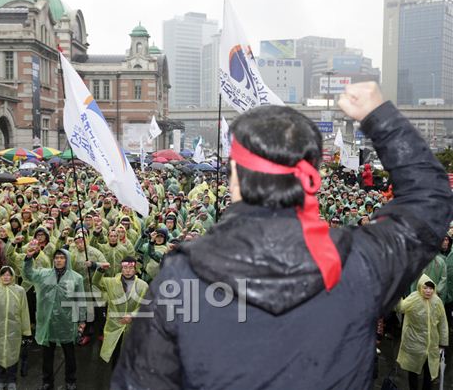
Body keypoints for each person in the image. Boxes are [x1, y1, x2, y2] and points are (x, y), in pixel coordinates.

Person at [112, 82, 453, 389]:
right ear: (311, 180)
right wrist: (380, 117)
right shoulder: (359, 264)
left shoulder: (180, 278)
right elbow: (430, 201)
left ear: (234, 180)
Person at [23, 247, 86, 390]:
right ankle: (47, 381)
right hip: (48, 321)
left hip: (67, 322)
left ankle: (70, 380)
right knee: (47, 354)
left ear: (67, 259)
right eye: (56, 258)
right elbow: (29, 274)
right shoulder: (44, 274)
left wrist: (82, 321)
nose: (58, 260)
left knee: (69, 353)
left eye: (62, 258)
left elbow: (81, 301)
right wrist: (28, 259)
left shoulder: (77, 278)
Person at [93, 257, 148, 368]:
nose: (128, 270)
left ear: (135, 269)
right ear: (121, 269)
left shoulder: (143, 286)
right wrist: (100, 270)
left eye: (131, 268)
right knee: (116, 354)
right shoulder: (111, 282)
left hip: (132, 326)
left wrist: (132, 315)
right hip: (115, 324)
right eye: (125, 267)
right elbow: (95, 282)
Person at [396, 275, 448, 390]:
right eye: (425, 288)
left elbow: (443, 323)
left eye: (430, 288)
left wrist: (443, 343)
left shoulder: (437, 301)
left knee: (429, 373)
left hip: (431, 346)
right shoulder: (414, 298)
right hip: (415, 344)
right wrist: (396, 294)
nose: (428, 291)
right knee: (413, 372)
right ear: (420, 287)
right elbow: (400, 308)